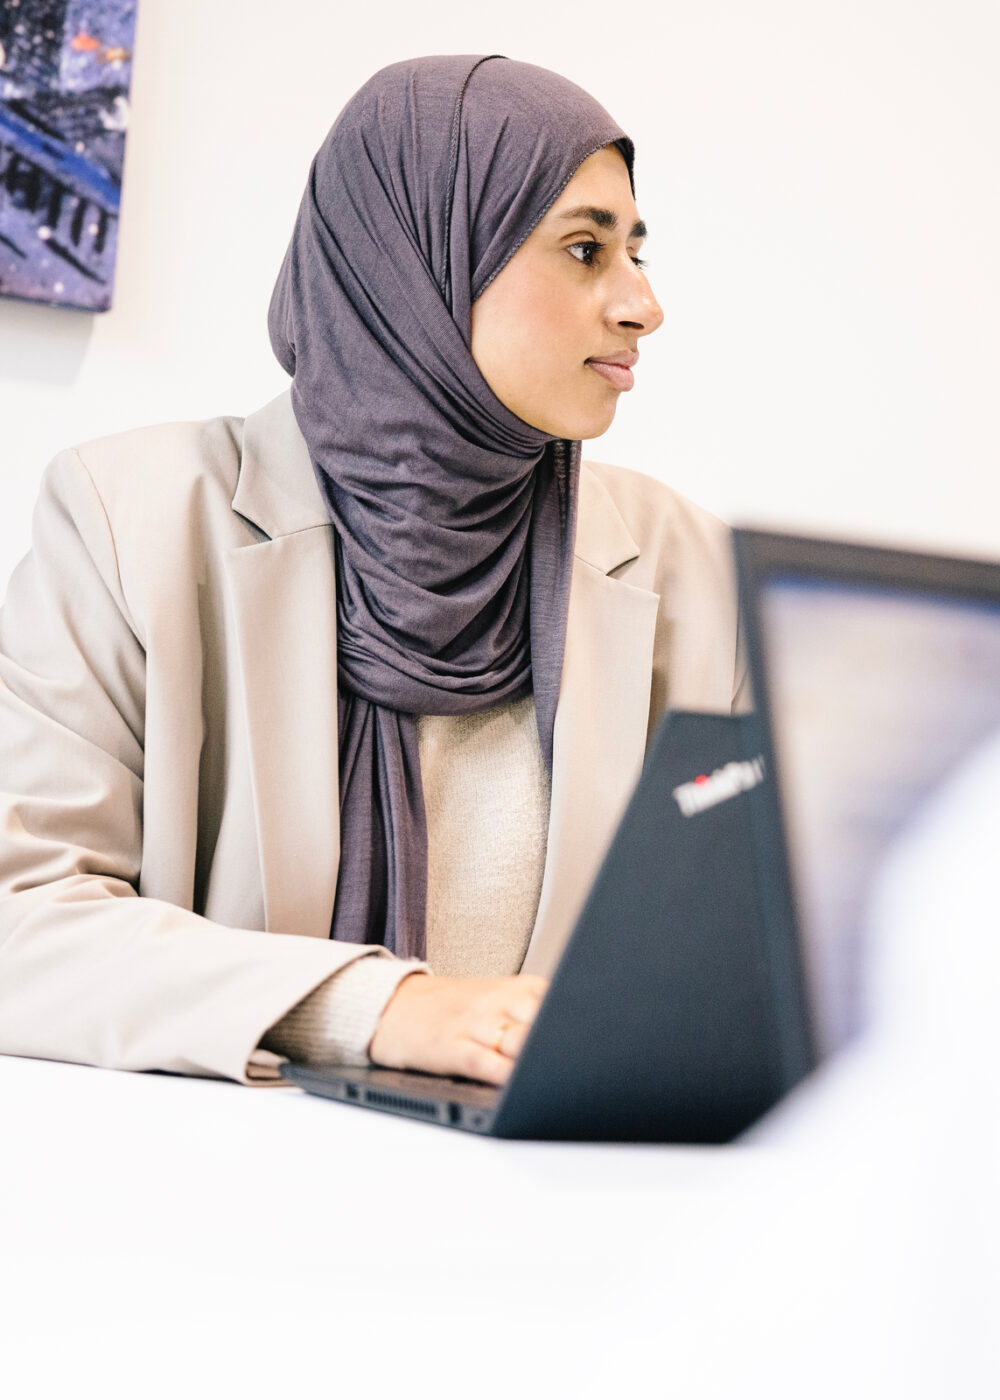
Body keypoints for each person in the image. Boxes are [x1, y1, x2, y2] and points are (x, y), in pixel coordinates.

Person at [0, 54, 745, 1088]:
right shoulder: (131, 522)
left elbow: (761, 947)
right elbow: (21, 920)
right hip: (216, 1175)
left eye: (636, 251)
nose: (642, 304)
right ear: (415, 264)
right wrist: (376, 1006)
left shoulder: (692, 570)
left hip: (564, 1175)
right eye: (585, 250)